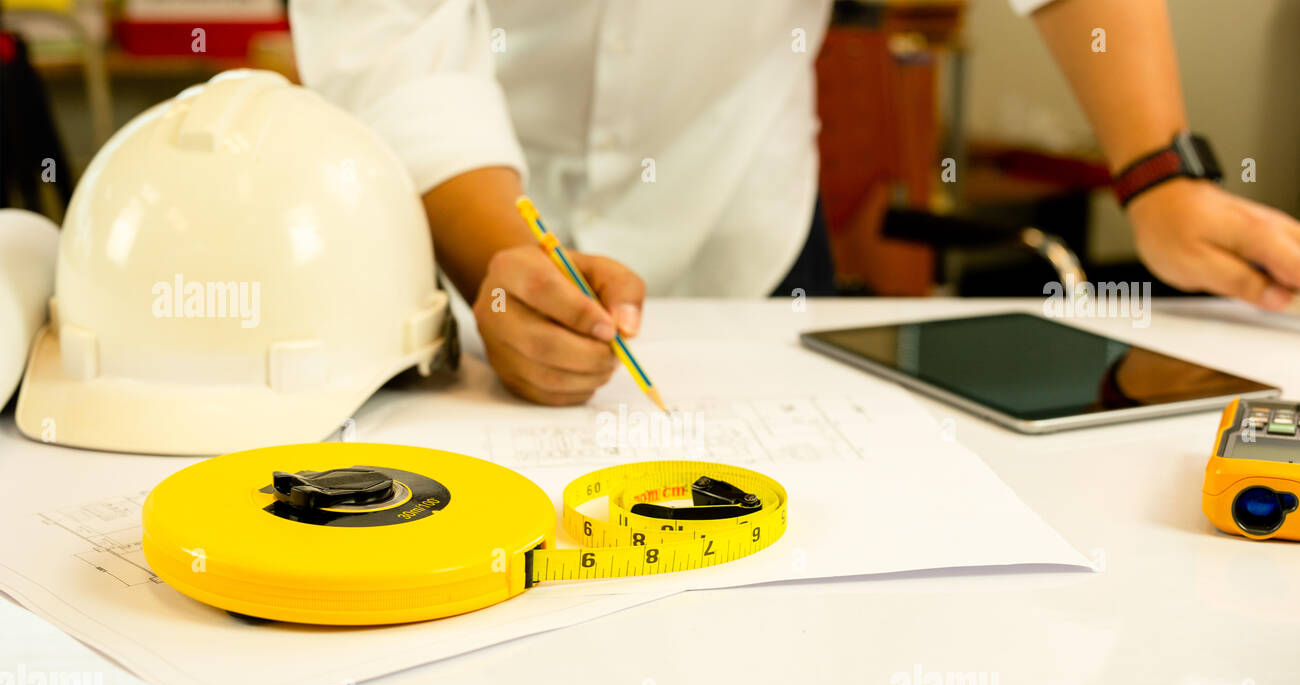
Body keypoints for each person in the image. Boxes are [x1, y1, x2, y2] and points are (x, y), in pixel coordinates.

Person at [291, 0, 1300, 406]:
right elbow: (394, 40)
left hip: (745, 213)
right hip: (441, 223)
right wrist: (492, 262)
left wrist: (1158, 179)